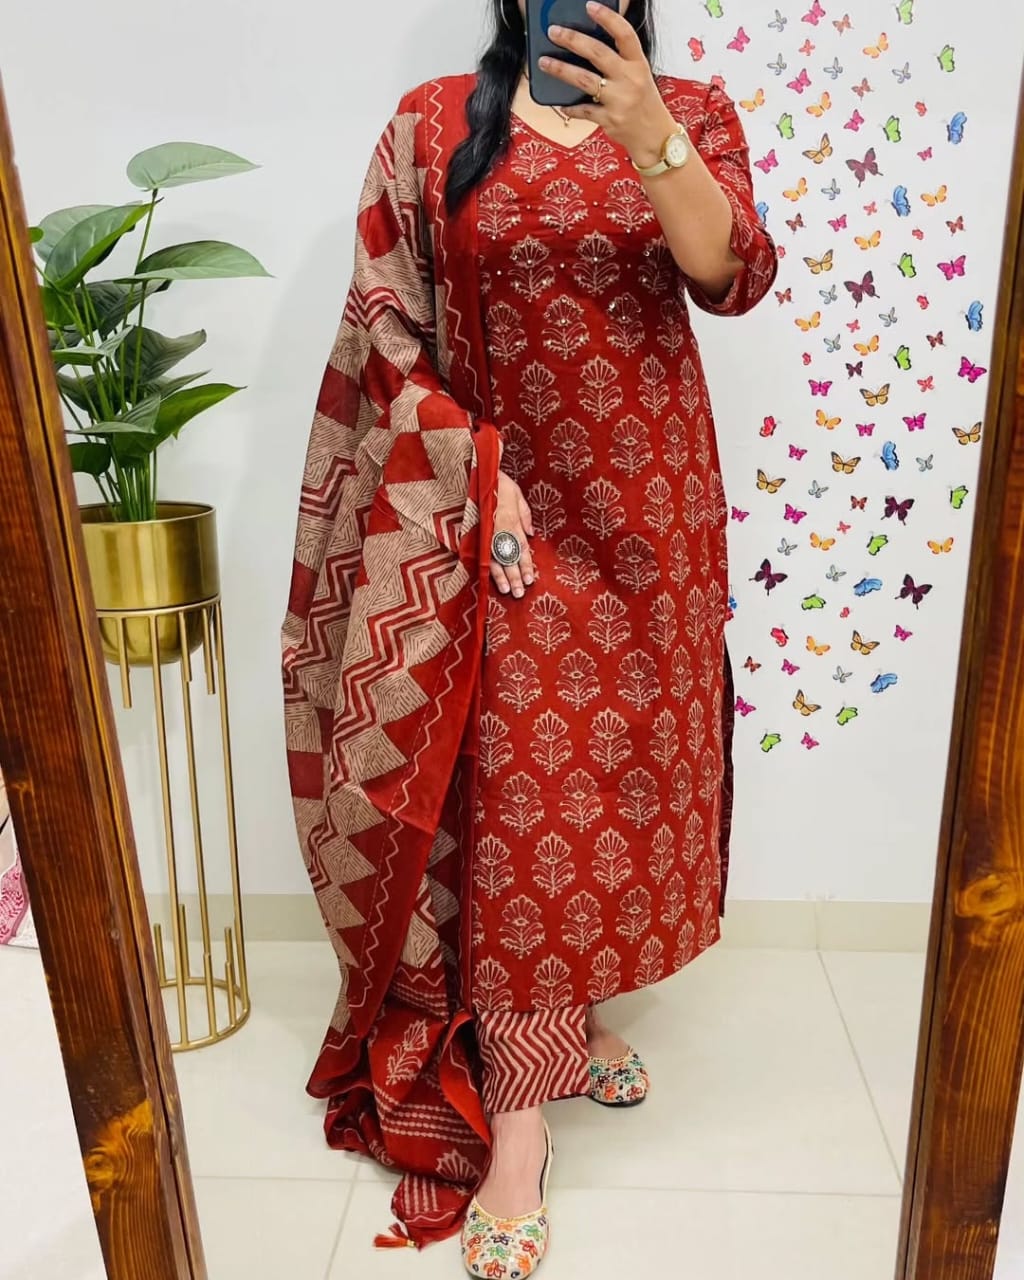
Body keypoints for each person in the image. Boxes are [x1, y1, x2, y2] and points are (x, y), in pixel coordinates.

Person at [281, 1, 777, 1274]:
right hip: (494, 507)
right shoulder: (435, 122)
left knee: (615, 780)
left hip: (648, 513)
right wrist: (469, 466)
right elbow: (385, 322)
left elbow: (731, 277)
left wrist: (649, 128)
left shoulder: (690, 112)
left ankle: (568, 1017)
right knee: (520, 792)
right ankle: (518, 1122)